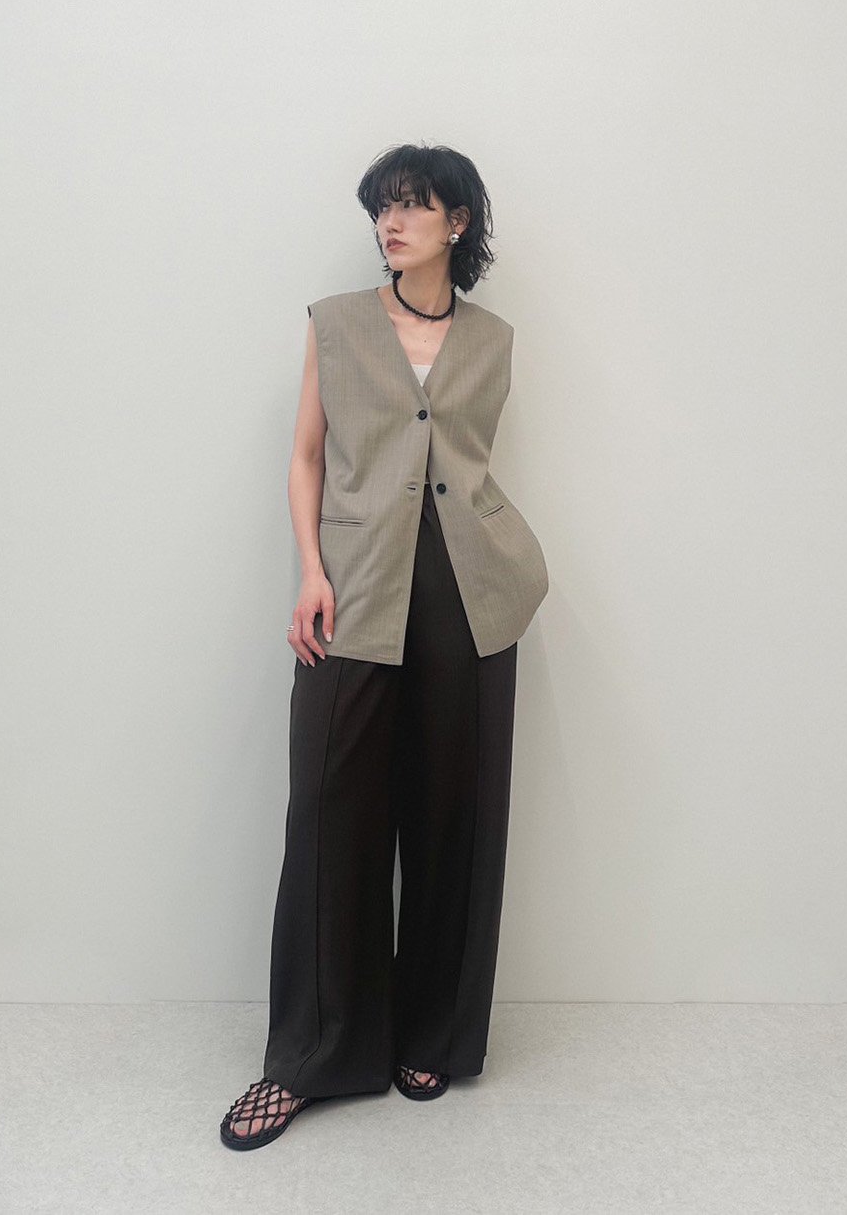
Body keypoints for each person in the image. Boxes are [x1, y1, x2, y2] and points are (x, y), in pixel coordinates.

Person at [220, 142, 549, 1150]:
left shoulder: (493, 340)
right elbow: (306, 456)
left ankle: (431, 1034)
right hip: (357, 586)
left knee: (453, 815)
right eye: (381, 207)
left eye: (412, 206)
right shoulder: (336, 323)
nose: (390, 223)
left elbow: (466, 464)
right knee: (331, 815)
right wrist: (311, 572)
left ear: (458, 222)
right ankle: (308, 1059)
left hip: (470, 591)